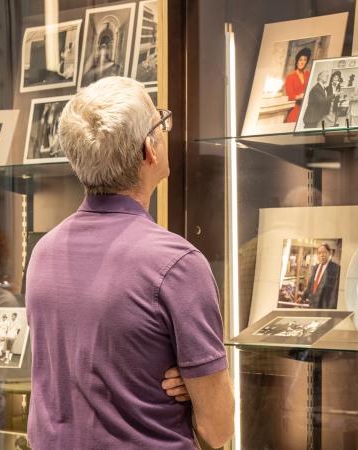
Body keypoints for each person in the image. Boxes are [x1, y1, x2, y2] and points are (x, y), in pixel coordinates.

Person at [26, 77, 233, 449]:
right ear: (149, 150)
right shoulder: (178, 265)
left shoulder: (44, 252)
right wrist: (199, 385)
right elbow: (218, 428)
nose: (166, 131)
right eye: (161, 123)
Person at [297, 243, 340, 309]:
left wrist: (331, 309)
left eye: (324, 252)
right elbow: (310, 285)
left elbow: (335, 291)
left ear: (329, 253)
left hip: (325, 306)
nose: (321, 255)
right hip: (313, 305)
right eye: (319, 253)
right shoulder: (315, 267)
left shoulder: (336, 268)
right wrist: (302, 298)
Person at [284, 47, 312, 123]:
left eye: (305, 60)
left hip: (307, 109)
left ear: (307, 62)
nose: (302, 62)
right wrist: (300, 96)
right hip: (296, 108)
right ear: (297, 61)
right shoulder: (290, 77)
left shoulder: (308, 74)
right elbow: (290, 96)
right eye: (300, 60)